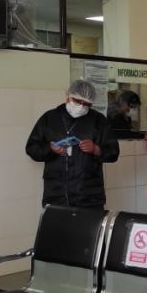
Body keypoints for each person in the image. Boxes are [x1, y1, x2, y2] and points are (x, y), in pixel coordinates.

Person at [26, 79, 119, 208]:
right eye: (77, 101)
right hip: (57, 195)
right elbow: (32, 148)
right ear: (68, 97)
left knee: (89, 222)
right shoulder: (50, 118)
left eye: (86, 104)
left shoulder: (98, 121)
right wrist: (50, 149)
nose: (81, 106)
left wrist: (96, 149)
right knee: (59, 221)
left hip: (89, 197)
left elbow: (113, 152)